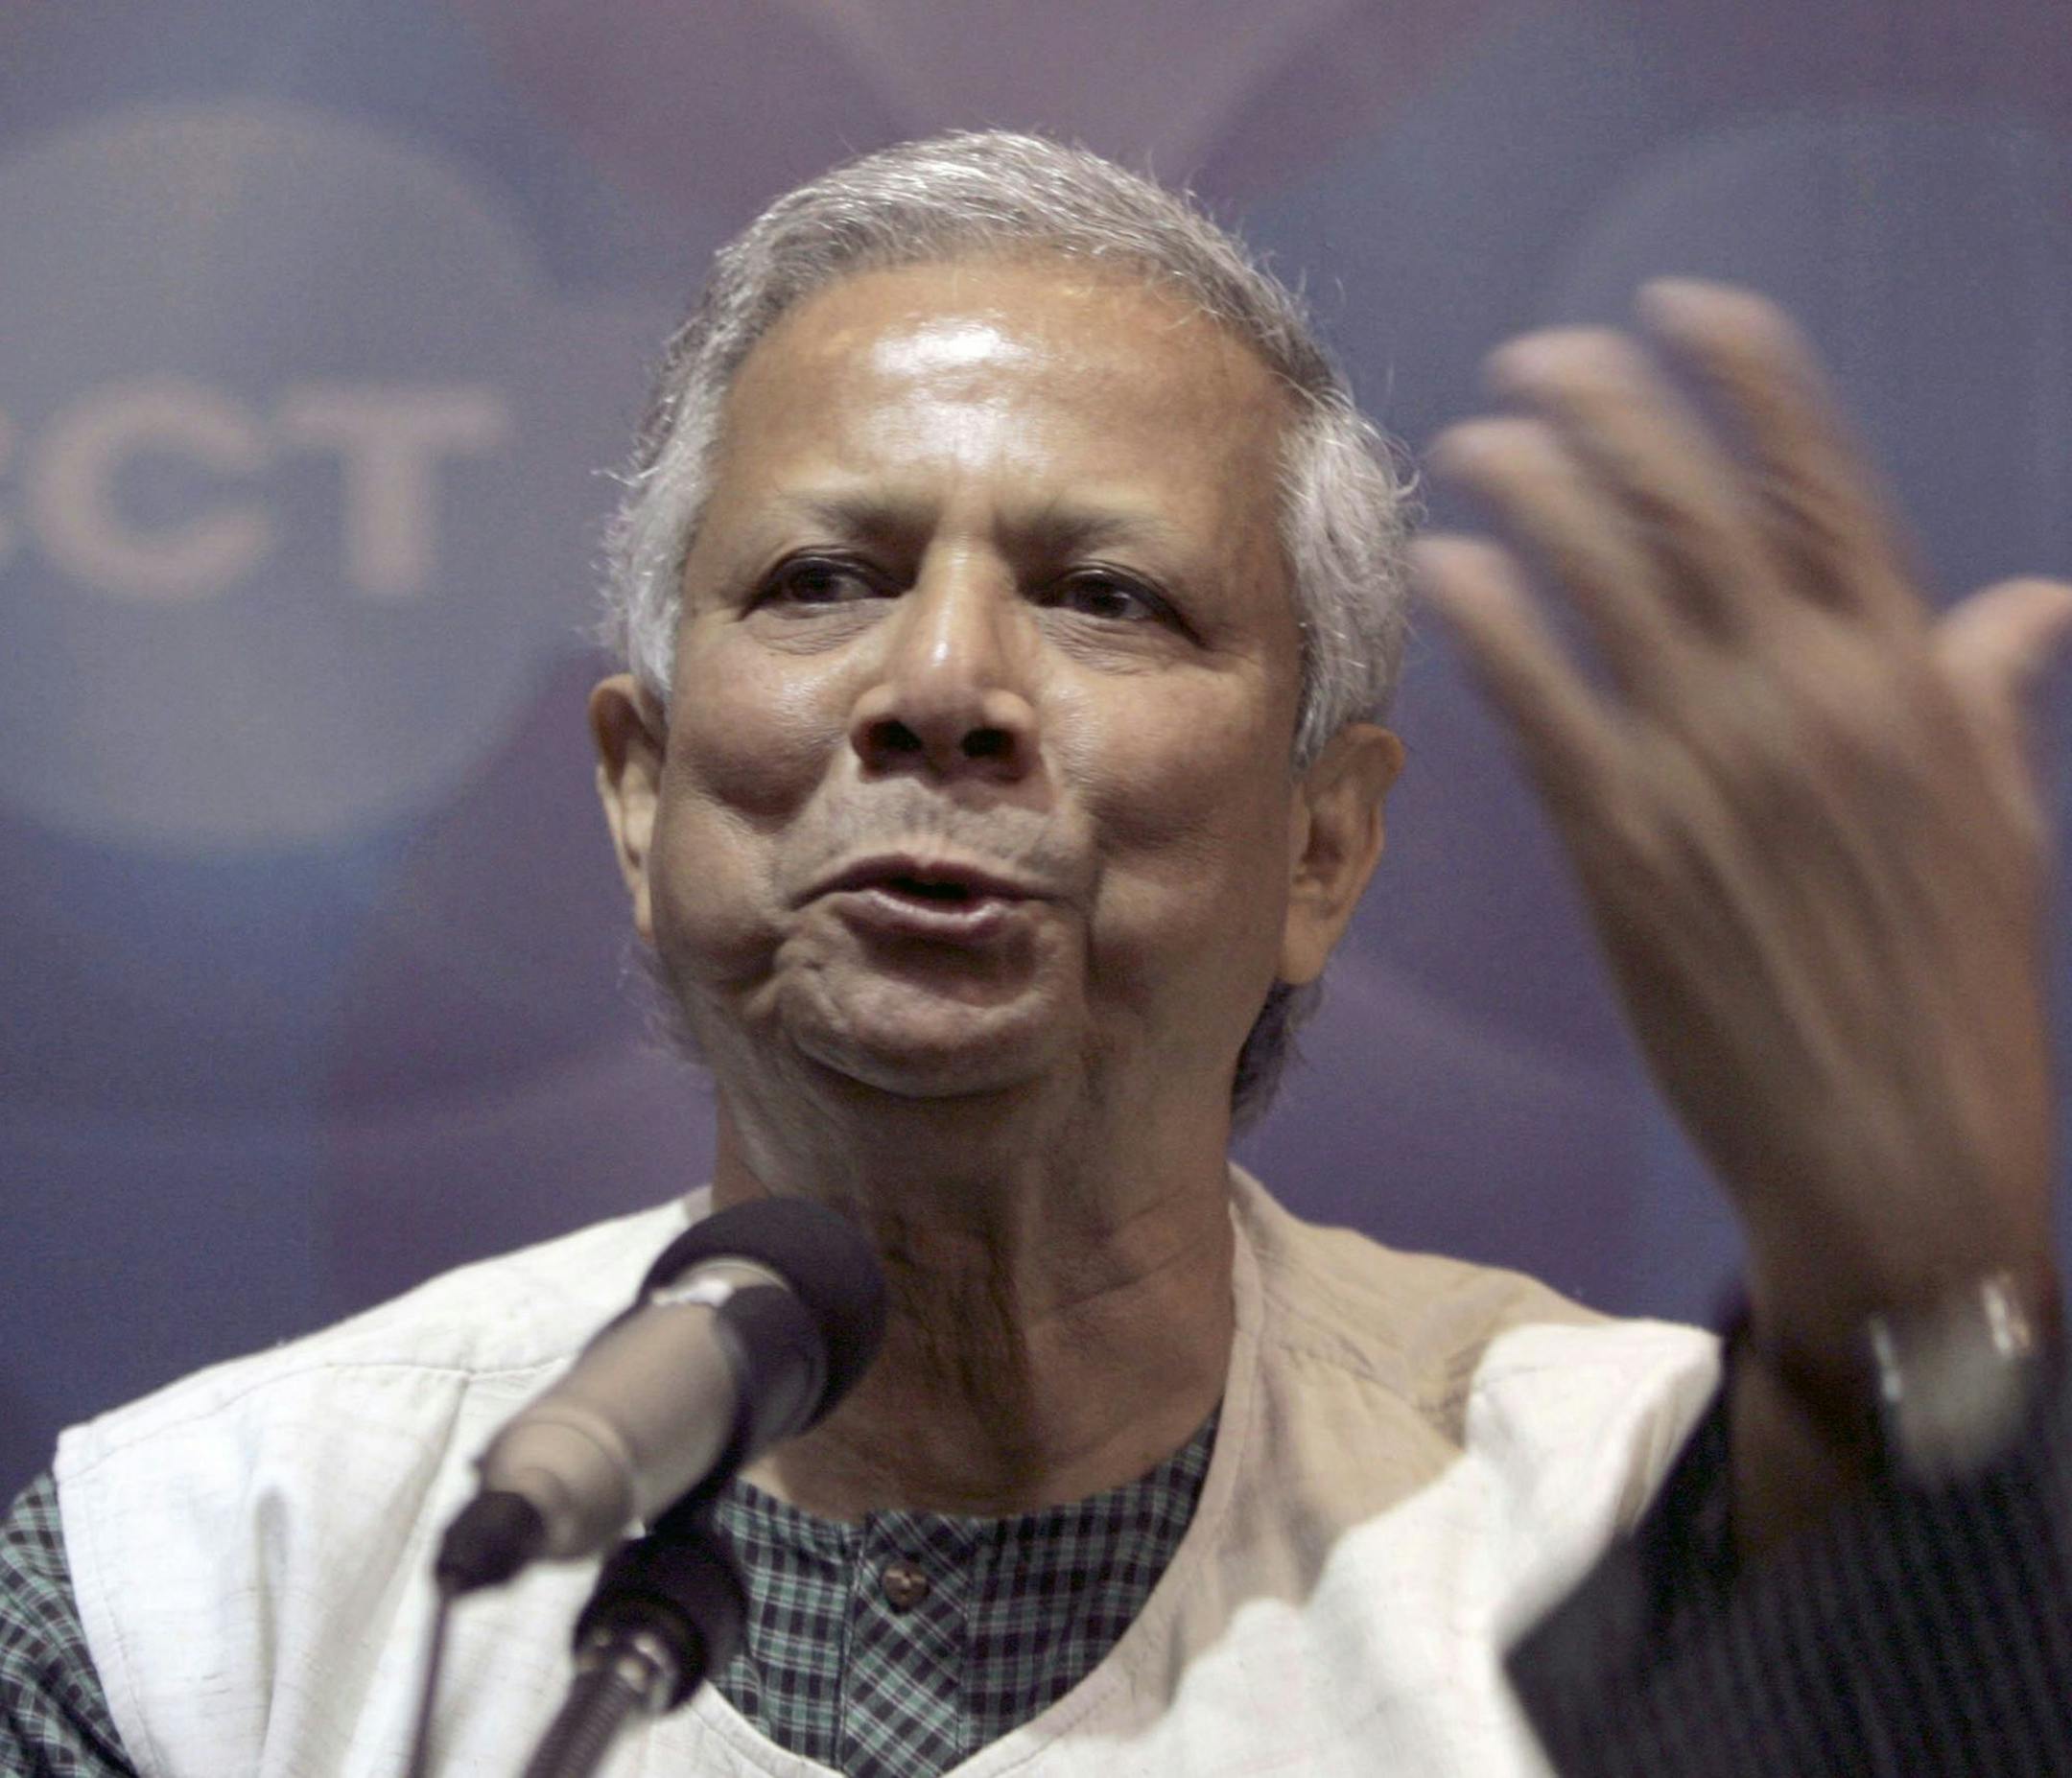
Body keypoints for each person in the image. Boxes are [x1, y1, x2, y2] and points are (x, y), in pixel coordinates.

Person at [5, 130, 2068, 1777]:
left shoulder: (1645, 1506)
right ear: (642, 791)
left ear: (1322, 846)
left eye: (1106, 597)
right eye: (825, 577)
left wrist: (1922, 1313)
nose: (942, 687)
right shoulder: (205, 1585)